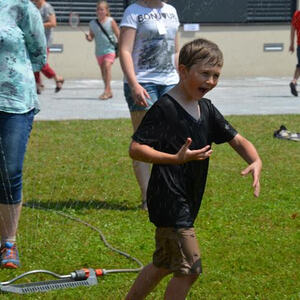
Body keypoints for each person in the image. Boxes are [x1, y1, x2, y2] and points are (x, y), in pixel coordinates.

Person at [126, 38, 262, 300]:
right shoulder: (165, 108)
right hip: (169, 198)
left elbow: (237, 139)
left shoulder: (206, 109)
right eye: (204, 73)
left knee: (164, 263)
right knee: (190, 269)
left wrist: (254, 160)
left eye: (216, 75)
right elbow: (136, 148)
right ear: (183, 70)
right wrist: (174, 158)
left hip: (187, 198)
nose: (210, 81)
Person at [119, 0, 180, 210]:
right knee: (143, 141)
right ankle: (148, 198)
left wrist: (184, 78)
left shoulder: (171, 11)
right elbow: (125, 50)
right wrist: (134, 84)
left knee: (172, 137)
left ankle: (168, 191)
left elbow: (175, 50)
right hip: (143, 83)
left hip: (170, 81)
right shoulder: (133, 11)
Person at [0, 0, 47, 268]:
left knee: (9, 171)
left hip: (15, 101)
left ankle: (8, 243)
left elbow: (39, 53)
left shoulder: (21, 6)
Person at [86, 1, 120, 100]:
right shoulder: (92, 23)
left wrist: (122, 48)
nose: (100, 11)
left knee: (107, 66)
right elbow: (91, 37)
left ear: (106, 11)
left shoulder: (111, 21)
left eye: (102, 9)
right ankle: (109, 91)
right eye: (98, 9)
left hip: (110, 50)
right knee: (103, 71)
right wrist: (88, 37)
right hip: (99, 51)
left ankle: (106, 90)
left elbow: (118, 35)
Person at [32, 0, 64, 94]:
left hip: (44, 41)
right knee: (34, 62)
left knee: (41, 63)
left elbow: (53, 23)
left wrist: (38, 25)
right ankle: (38, 84)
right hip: (35, 41)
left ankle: (57, 78)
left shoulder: (47, 7)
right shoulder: (34, 7)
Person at [289, 10, 300, 97]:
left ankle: (294, 82)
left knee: (299, 65)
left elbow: (292, 29)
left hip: (299, 45)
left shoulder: (297, 14)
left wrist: (292, 44)